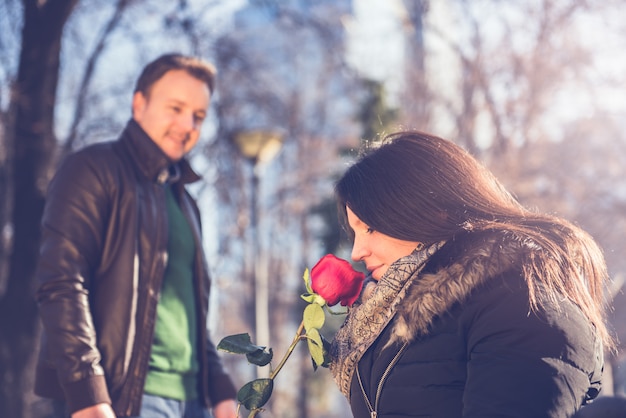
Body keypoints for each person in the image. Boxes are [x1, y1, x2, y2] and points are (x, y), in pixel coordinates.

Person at [329, 131, 612, 418]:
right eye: (354, 232)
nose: (357, 251)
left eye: (370, 228)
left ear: (427, 208)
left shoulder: (521, 303)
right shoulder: (385, 328)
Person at [33, 53, 238, 418]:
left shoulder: (186, 202)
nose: (186, 124)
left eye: (198, 116)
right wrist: (87, 394)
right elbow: (61, 283)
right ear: (138, 102)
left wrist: (220, 389)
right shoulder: (93, 170)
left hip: (194, 403)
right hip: (122, 399)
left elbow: (189, 312)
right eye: (175, 107)